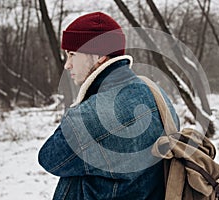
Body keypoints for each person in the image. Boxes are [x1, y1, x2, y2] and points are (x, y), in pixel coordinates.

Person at [38, 11, 180, 200]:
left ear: (99, 56)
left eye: (72, 54)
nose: (67, 65)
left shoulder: (90, 115)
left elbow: (48, 158)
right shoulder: (156, 93)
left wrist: (81, 106)